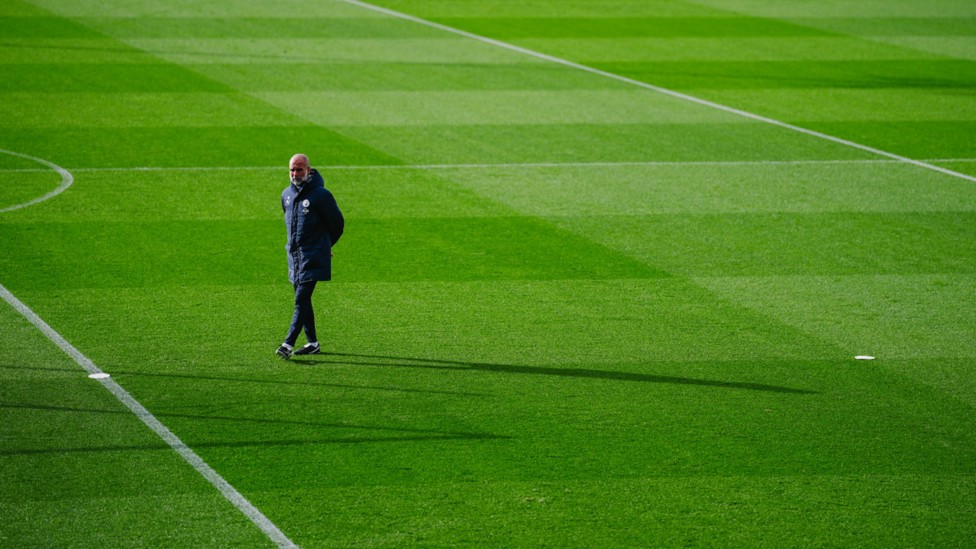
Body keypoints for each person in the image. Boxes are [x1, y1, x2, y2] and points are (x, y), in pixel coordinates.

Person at [276, 154, 344, 360]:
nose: (295, 174)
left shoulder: (321, 195)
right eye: (292, 170)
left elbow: (337, 224)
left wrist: (326, 245)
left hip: (313, 257)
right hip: (294, 258)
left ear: (308, 170)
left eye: (299, 170)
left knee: (300, 299)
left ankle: (288, 344)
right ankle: (312, 343)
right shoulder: (286, 195)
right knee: (304, 301)